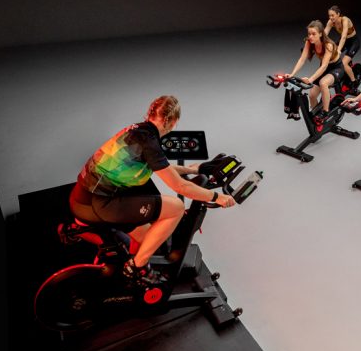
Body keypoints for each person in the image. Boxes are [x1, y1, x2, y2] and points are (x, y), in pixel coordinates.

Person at [66, 95, 236, 285]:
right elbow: (180, 186)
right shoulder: (149, 142)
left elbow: (161, 167)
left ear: (150, 114)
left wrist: (194, 169)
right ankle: (136, 267)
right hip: (100, 203)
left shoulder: (138, 131)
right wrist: (217, 196)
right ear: (172, 121)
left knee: (149, 237)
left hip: (83, 197)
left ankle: (127, 272)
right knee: (176, 208)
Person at [287, 19, 347, 118]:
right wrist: (292, 74)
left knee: (323, 83)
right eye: (309, 34)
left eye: (313, 34)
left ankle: (325, 111)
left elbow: (324, 66)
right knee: (312, 95)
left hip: (336, 68)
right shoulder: (309, 42)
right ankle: (317, 116)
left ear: (320, 34)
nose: (310, 36)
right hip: (324, 68)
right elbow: (302, 59)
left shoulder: (328, 45)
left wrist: (311, 79)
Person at [324, 5, 361, 84]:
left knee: (344, 63)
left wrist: (338, 50)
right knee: (330, 56)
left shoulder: (345, 20)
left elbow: (344, 36)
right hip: (344, 41)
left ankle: (354, 82)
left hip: (353, 42)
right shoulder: (331, 22)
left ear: (338, 14)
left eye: (332, 15)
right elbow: (324, 35)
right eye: (329, 15)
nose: (331, 17)